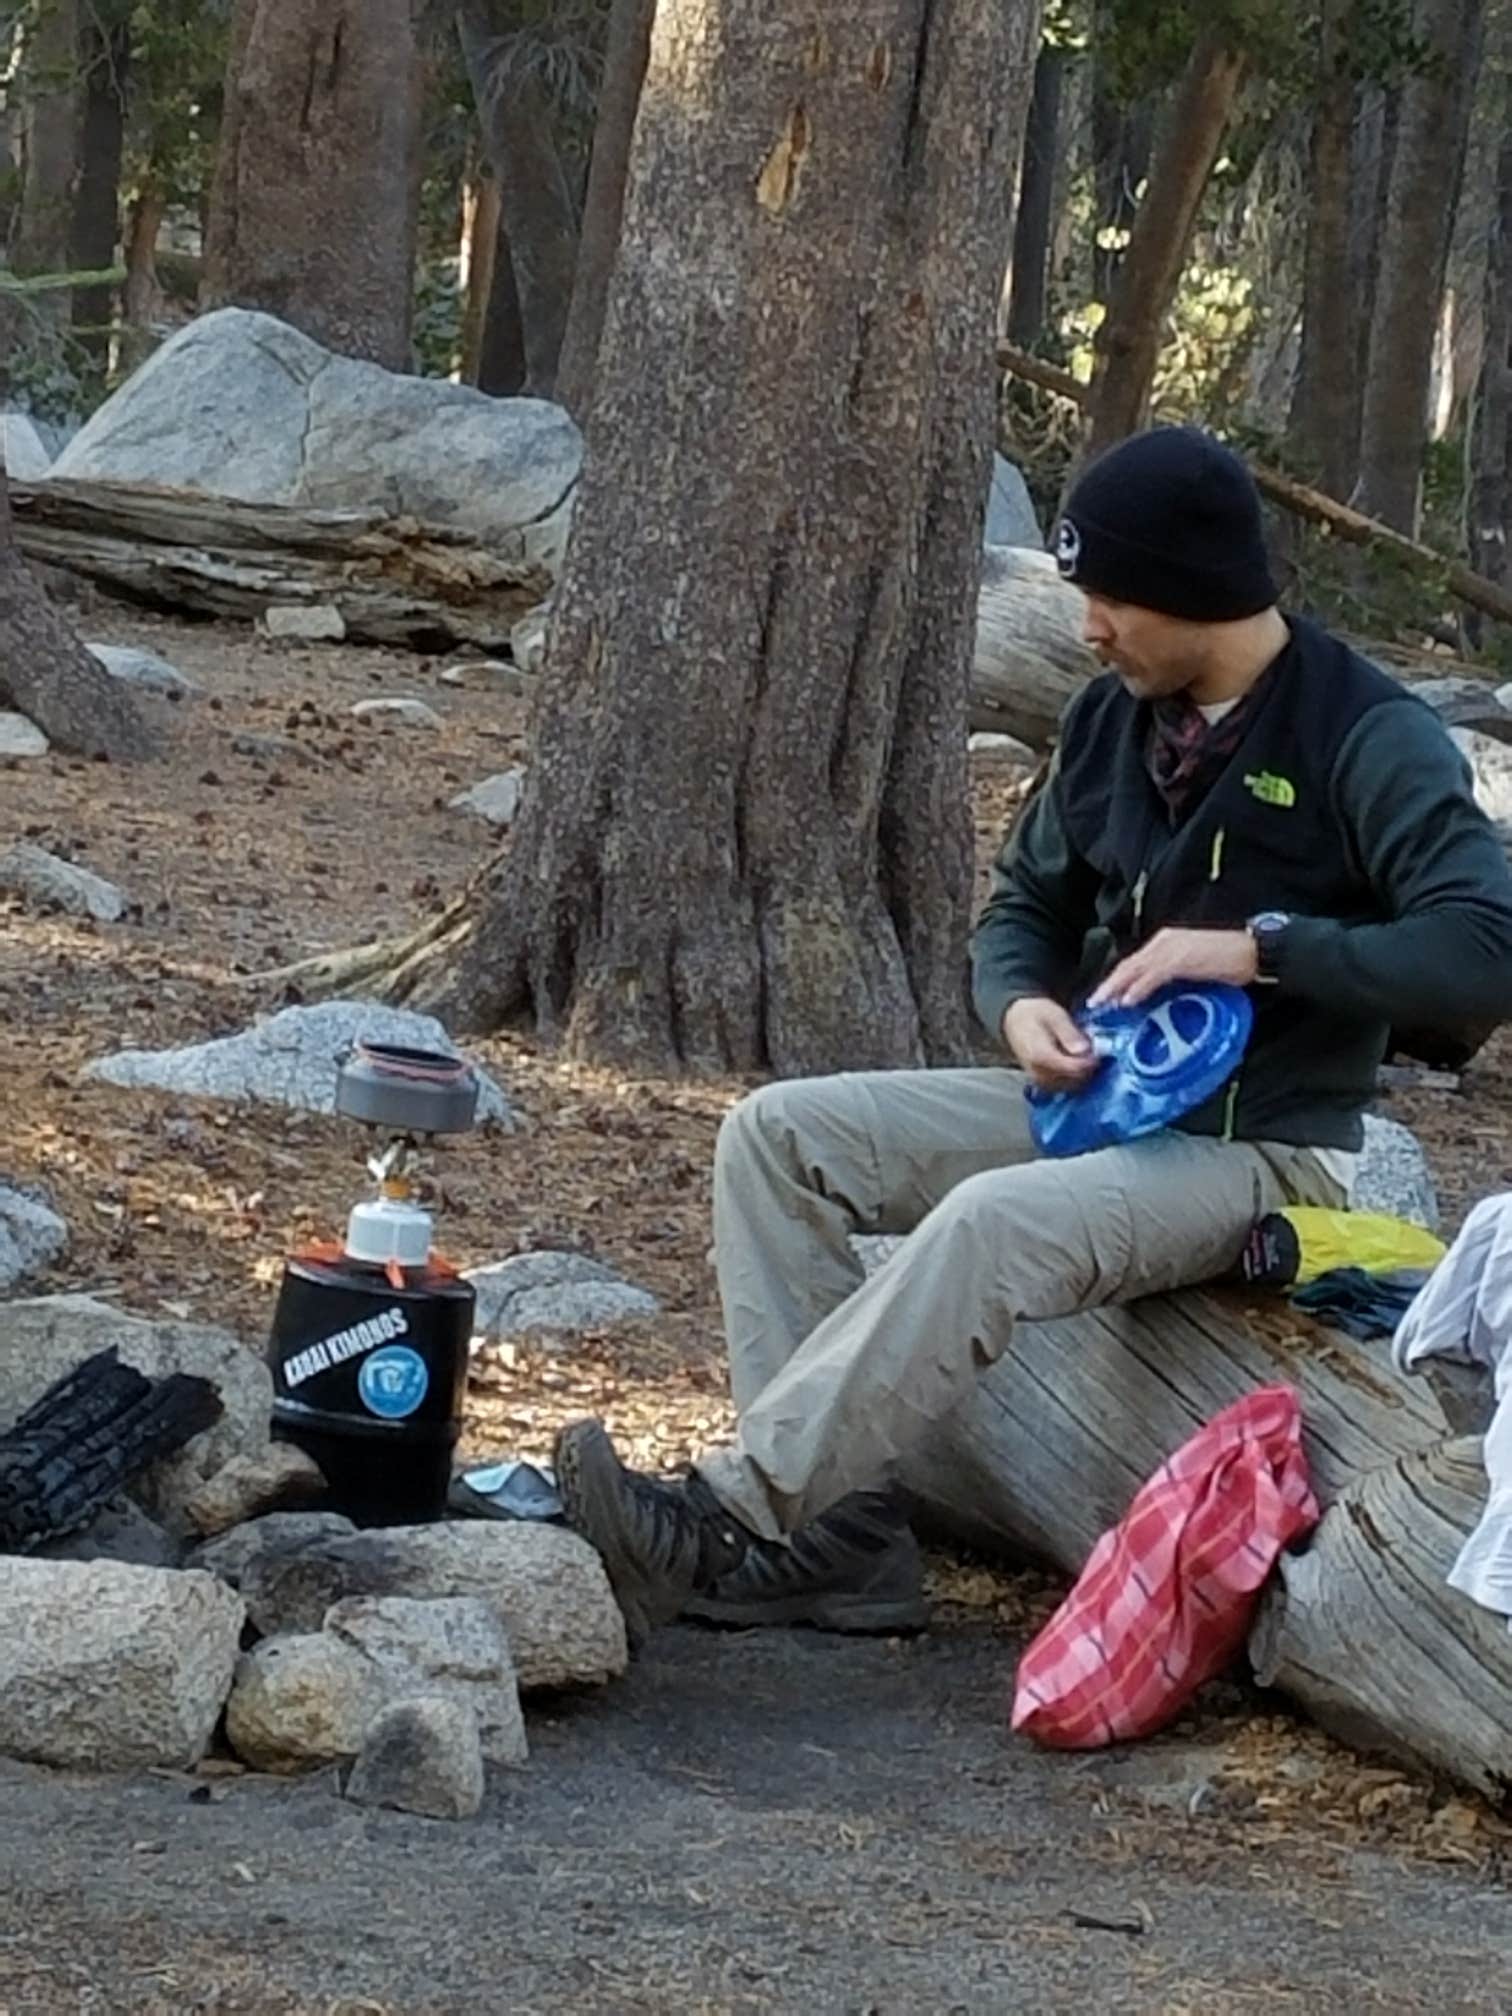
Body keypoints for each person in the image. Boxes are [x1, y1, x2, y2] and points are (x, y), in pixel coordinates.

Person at [553, 426, 1512, 1650]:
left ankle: (742, 1510)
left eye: (1110, 596)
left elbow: (1486, 948)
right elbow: (1022, 911)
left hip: (1261, 1150)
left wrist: (1261, 947)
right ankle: (840, 1543)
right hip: (1095, 1097)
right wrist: (1017, 1007)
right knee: (776, 1135)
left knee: (990, 1221)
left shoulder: (1364, 735)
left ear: (1199, 590)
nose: (1089, 626)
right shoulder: (1114, 720)